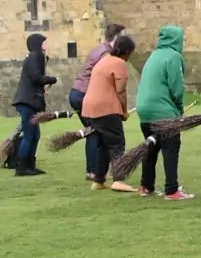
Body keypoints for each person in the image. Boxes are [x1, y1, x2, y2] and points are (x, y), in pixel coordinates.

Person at [135, 25, 194, 200]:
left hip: (144, 111)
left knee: (151, 148)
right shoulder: (174, 56)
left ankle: (146, 186)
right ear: (176, 39)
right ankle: (172, 190)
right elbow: (176, 87)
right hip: (163, 111)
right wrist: (179, 109)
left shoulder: (154, 55)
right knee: (171, 146)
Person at [68, 23, 126, 181]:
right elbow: (109, 78)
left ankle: (95, 171)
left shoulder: (99, 49)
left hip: (79, 93)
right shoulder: (106, 54)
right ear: (116, 38)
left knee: (95, 132)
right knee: (95, 133)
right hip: (85, 95)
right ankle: (95, 171)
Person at [82, 35, 137, 192]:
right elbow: (120, 91)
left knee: (103, 145)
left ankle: (99, 180)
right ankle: (118, 179)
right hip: (105, 108)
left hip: (89, 108)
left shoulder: (104, 59)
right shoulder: (119, 63)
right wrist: (124, 111)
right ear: (126, 52)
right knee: (117, 144)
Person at [11, 34, 58, 176]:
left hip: (31, 102)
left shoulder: (36, 58)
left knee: (35, 135)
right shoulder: (33, 58)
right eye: (44, 42)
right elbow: (37, 78)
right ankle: (21, 167)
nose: (46, 45)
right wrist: (52, 79)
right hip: (27, 102)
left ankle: (30, 165)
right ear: (38, 44)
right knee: (29, 135)